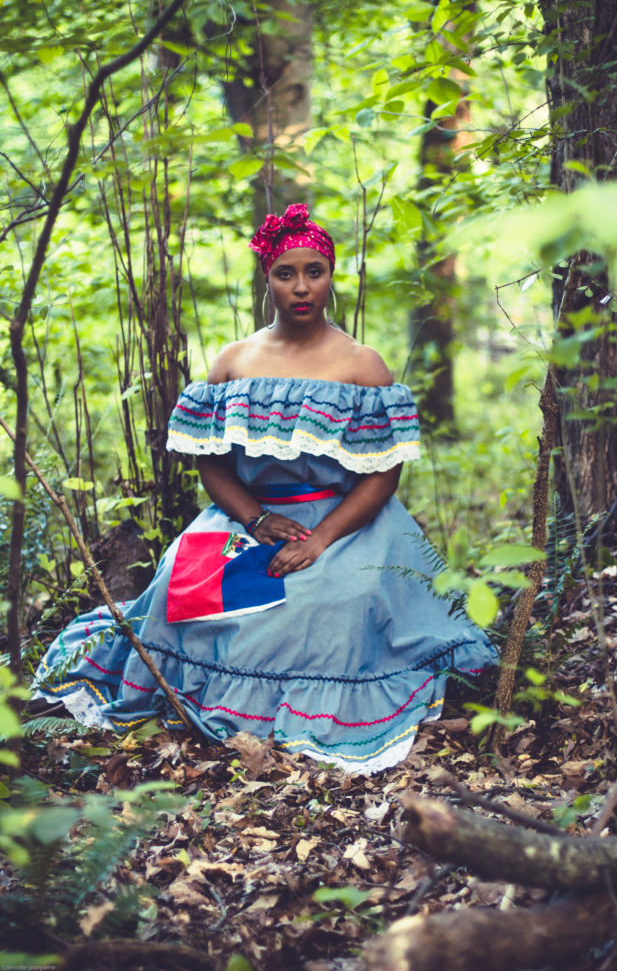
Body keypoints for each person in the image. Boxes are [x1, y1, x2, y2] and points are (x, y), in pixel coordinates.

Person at [34, 204, 497, 774]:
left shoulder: (362, 365)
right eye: (285, 273)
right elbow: (212, 466)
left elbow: (383, 474)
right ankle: (197, 700)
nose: (301, 287)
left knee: (338, 601)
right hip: (245, 518)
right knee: (183, 582)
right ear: (267, 279)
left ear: (331, 275)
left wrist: (320, 539)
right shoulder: (235, 361)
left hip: (347, 523)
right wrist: (255, 520)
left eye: (314, 271)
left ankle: (315, 715)